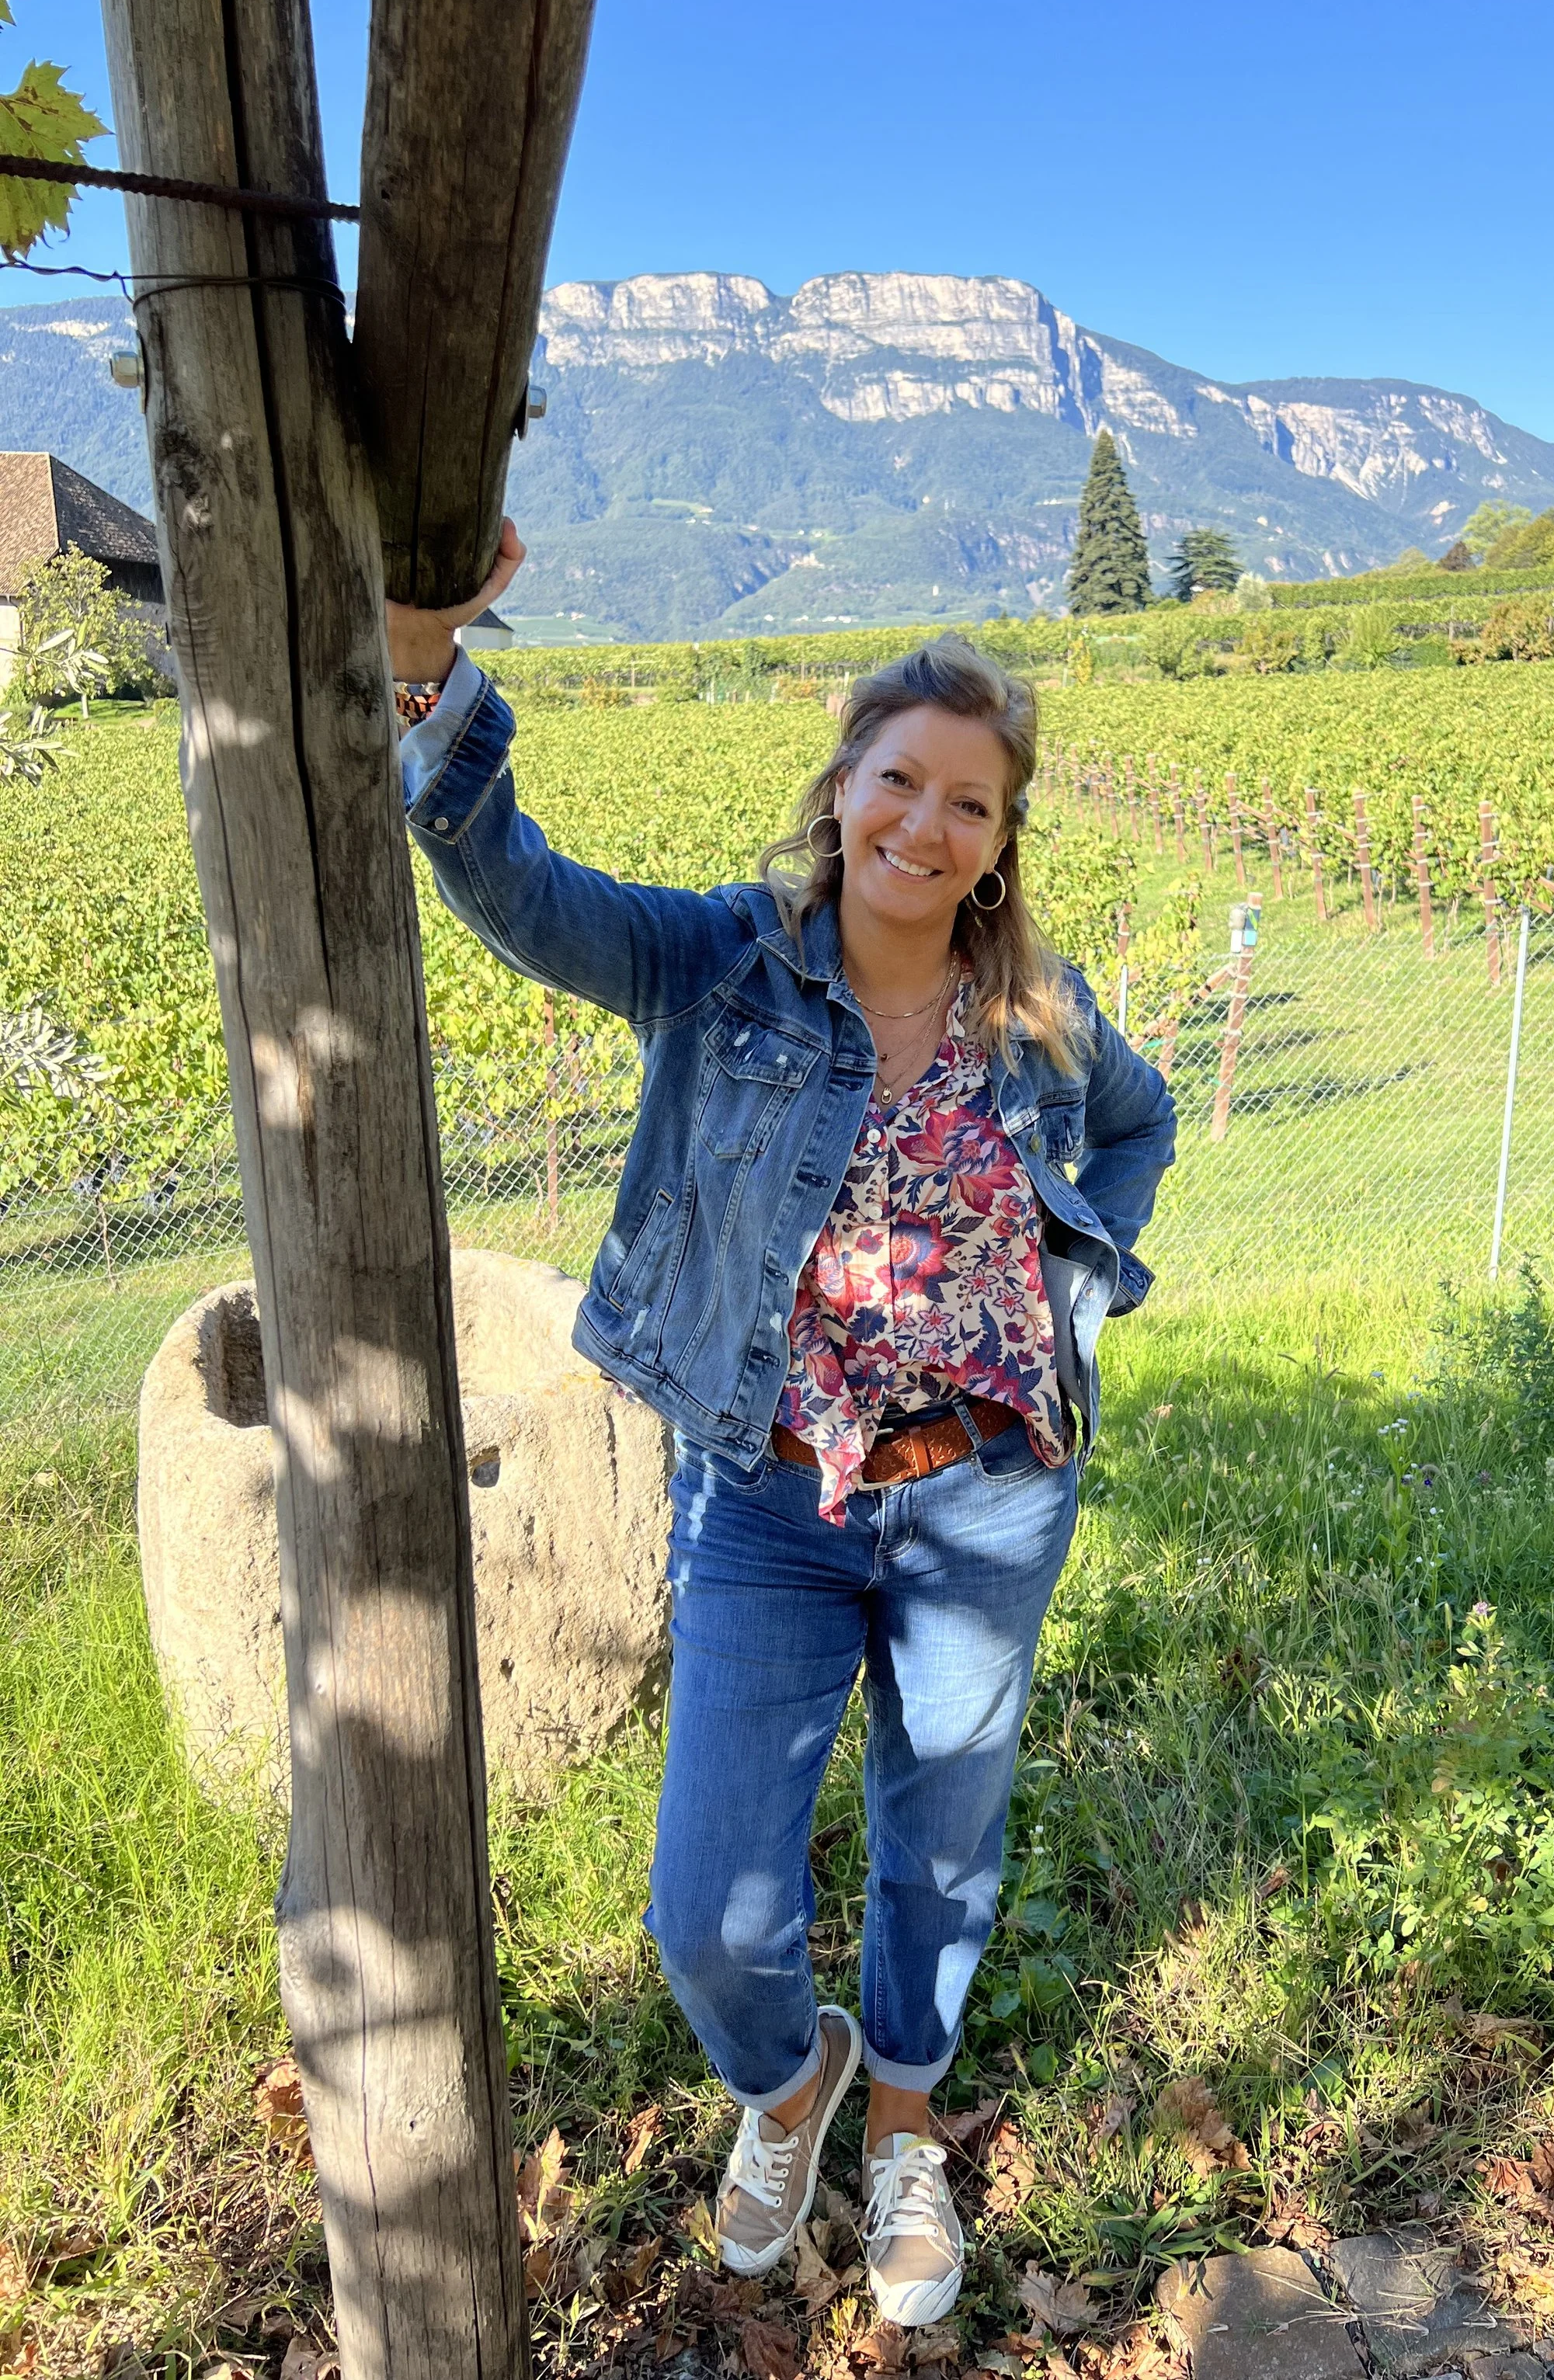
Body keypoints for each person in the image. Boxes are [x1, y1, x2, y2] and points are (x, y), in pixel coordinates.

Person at [388, 522, 1176, 2326]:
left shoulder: (1033, 1016)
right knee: (706, 1911)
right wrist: (428, 670)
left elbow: (1134, 1125)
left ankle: (902, 2123)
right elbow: (516, 885)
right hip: (770, 1492)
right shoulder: (725, 963)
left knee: (942, 1831)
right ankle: (787, 2076)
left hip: (990, 1494)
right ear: (842, 788)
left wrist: (1086, 1280)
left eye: (971, 802)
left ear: (1000, 840)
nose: (927, 824)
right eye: (901, 780)